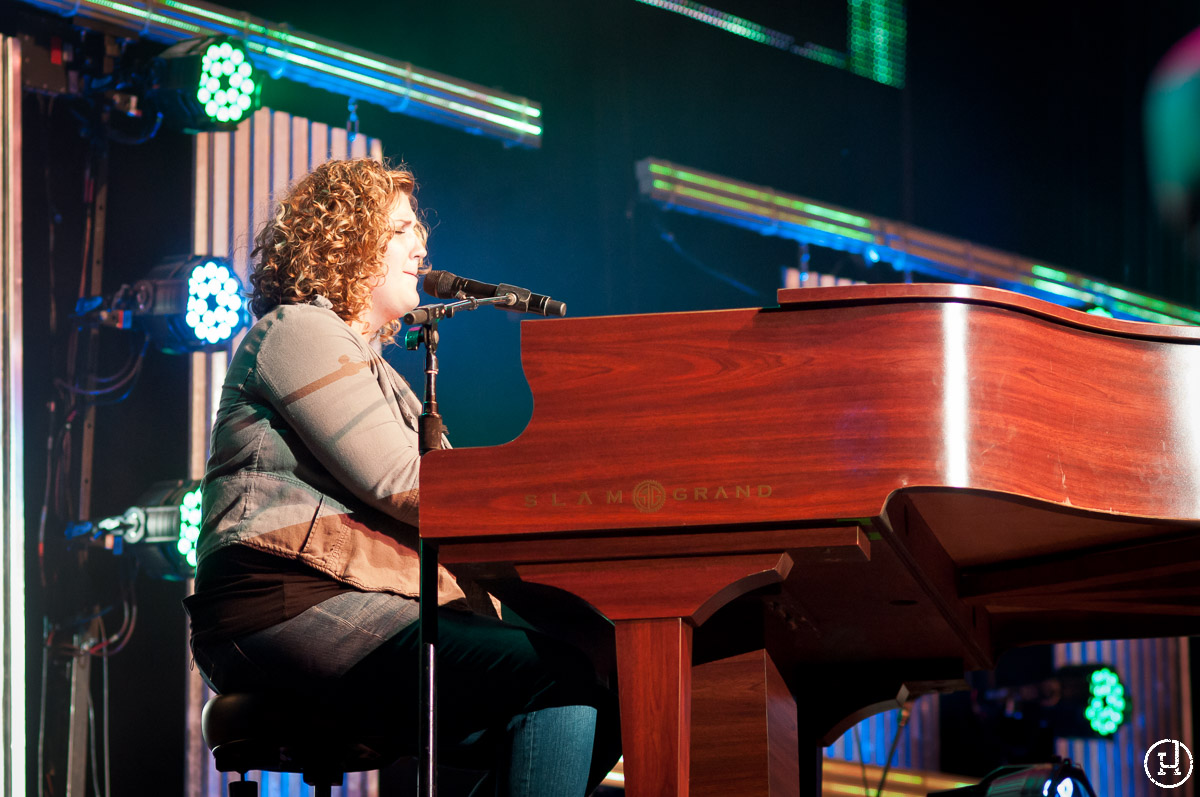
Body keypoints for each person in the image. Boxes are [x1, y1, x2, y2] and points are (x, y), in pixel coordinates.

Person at [184, 157, 619, 796]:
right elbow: (404, 482)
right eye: (401, 228)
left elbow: (444, 505)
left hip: (348, 599)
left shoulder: (382, 375)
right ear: (345, 240)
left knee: (603, 688)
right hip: (282, 604)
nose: (422, 243)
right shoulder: (295, 329)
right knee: (559, 678)